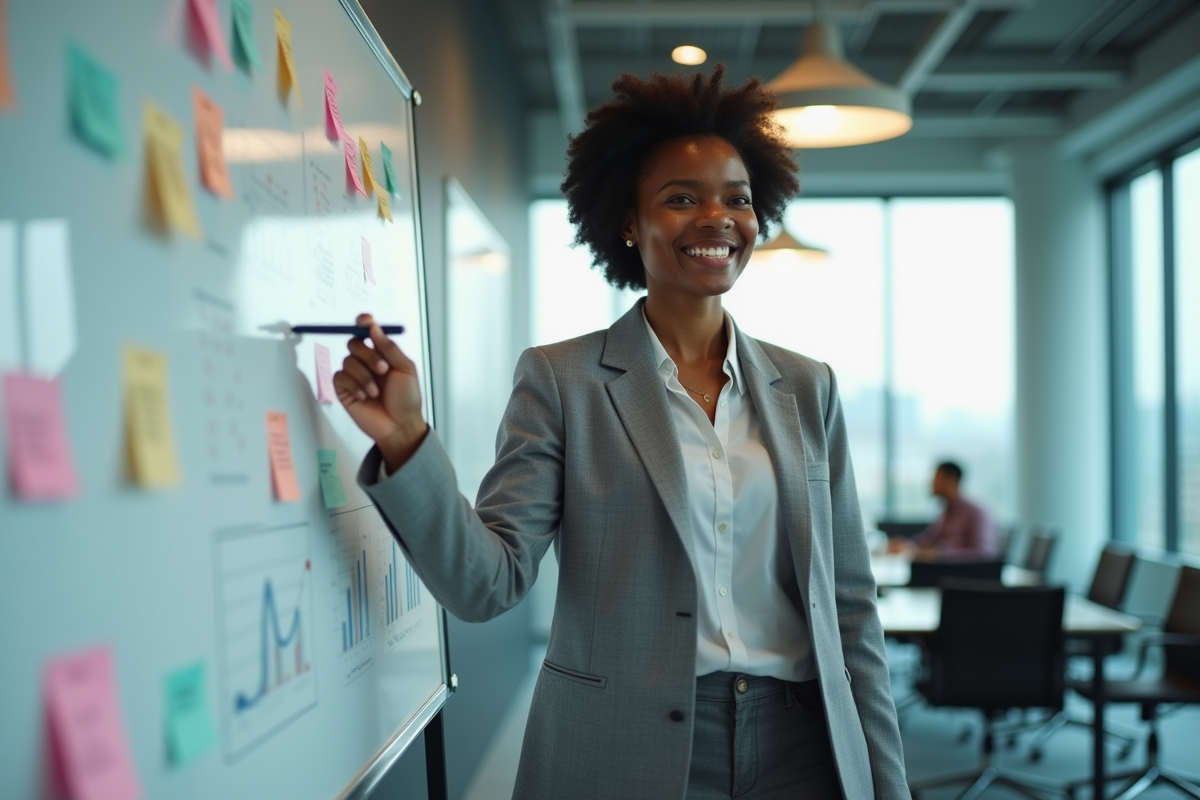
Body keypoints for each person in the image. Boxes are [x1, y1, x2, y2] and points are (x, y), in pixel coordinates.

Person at [333, 66, 908, 800]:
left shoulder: (807, 386)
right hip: (629, 744)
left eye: (737, 198)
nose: (717, 218)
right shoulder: (562, 380)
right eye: (682, 198)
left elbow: (852, 607)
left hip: (804, 745)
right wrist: (408, 440)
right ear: (630, 222)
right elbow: (488, 582)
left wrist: (888, 783)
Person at [897, 461, 997, 560]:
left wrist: (942, 554)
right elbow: (929, 540)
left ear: (951, 480)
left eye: (936, 477)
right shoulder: (945, 513)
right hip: (943, 568)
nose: (931, 482)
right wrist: (906, 545)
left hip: (961, 570)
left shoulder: (976, 512)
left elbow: (984, 553)